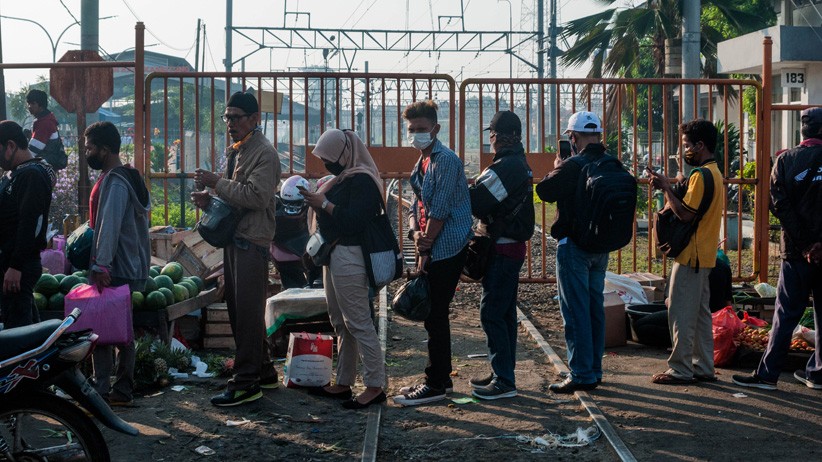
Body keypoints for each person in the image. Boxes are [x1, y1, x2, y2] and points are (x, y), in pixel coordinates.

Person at [192, 92, 280, 407]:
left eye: (237, 117)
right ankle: (265, 372)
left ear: (255, 119)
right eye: (227, 117)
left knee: (246, 314)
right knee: (241, 310)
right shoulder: (240, 150)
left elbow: (256, 197)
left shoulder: (264, 153)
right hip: (236, 238)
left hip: (251, 242)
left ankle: (245, 383)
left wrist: (217, 183)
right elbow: (236, 196)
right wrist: (210, 199)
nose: (230, 123)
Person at [733, 107, 822, 391]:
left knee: (785, 315)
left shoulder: (785, 161)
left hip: (796, 253)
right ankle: (818, 374)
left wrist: (806, 245)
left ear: (803, 131)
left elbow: (780, 206)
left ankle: (768, 376)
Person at [392, 100, 473, 406]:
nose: (415, 134)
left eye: (421, 129)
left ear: (435, 129)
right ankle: (441, 379)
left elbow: (438, 210)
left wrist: (424, 244)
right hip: (433, 243)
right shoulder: (423, 161)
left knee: (435, 316)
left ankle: (435, 382)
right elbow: (417, 204)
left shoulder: (446, 160)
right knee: (435, 316)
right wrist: (416, 232)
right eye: (412, 130)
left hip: (447, 245)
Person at [300, 128, 386, 409]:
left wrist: (322, 203)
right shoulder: (343, 177)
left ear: (344, 154)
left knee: (358, 322)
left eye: (329, 158)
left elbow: (354, 221)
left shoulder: (363, 181)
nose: (326, 164)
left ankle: (375, 385)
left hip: (351, 254)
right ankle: (344, 381)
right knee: (340, 321)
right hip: (334, 254)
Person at [535, 111, 612, 393]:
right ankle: (594, 369)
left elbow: (544, 191)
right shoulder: (611, 162)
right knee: (594, 309)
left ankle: (580, 374)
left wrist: (558, 166)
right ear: (599, 136)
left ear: (573, 137)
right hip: (601, 247)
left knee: (575, 310)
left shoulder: (572, 164)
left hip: (575, 247)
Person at [647, 119, 723, 385]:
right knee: (701, 314)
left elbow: (685, 214)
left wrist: (666, 188)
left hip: (692, 254)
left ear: (700, 145)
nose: (685, 150)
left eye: (688, 145)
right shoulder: (713, 172)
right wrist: (671, 184)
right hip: (704, 253)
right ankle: (703, 366)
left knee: (679, 311)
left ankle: (680, 368)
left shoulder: (701, 176)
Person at [468, 110, 535, 400]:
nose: (491, 140)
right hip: (508, 246)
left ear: (500, 136)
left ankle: (505, 381)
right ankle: (502, 372)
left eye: (492, 135)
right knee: (504, 313)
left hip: (504, 248)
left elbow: (480, 202)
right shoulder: (514, 163)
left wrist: (469, 187)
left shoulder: (507, 166)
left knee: (491, 312)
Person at [84, 121, 150, 406]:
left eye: (90, 148)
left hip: (115, 265)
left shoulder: (116, 181)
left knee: (106, 327)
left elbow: (109, 225)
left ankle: (108, 390)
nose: (87, 153)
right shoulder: (127, 176)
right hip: (123, 262)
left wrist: (102, 265)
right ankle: (118, 389)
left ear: (105, 149)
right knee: (120, 326)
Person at [0, 121, 55, 328]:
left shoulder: (31, 174)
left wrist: (16, 265)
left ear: (11, 146)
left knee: (18, 331)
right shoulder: (16, 173)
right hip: (11, 264)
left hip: (18, 267)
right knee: (26, 324)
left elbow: (30, 223)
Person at [271, 175, 317, 289]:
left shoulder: (311, 210)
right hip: (287, 252)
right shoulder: (276, 209)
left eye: (296, 203)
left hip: (298, 248)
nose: (291, 208)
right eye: (287, 203)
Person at [25, 90, 59, 159]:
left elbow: (32, 152)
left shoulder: (45, 123)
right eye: (28, 103)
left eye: (33, 103)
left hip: (44, 166)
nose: (29, 106)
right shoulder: (46, 119)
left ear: (41, 105)